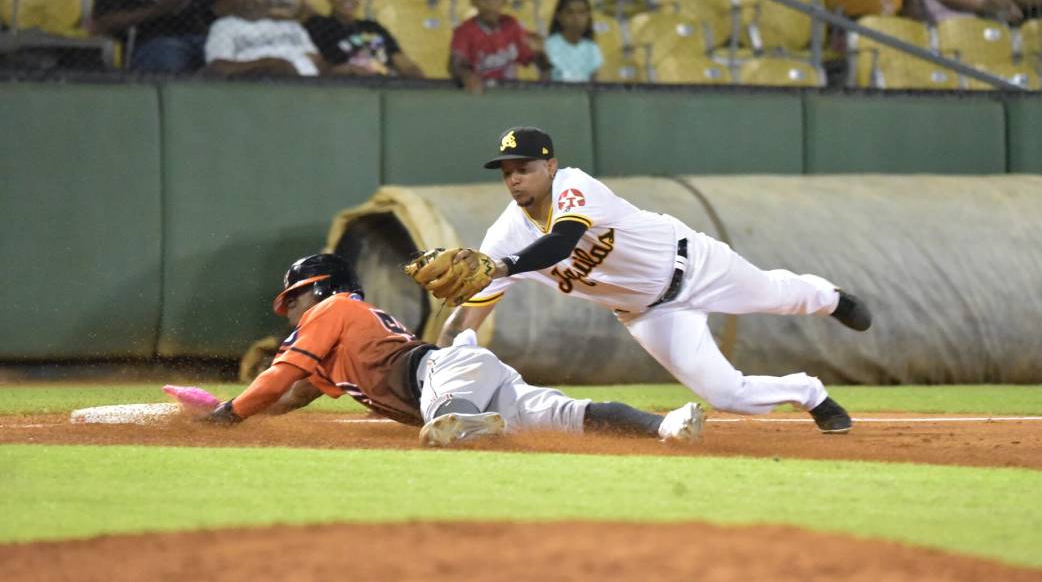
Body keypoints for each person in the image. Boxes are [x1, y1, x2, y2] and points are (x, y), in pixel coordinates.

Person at [434, 127, 866, 435]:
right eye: (506, 171)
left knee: (777, 295)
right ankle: (809, 393)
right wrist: (446, 351)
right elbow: (474, 306)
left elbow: (562, 243)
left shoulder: (574, 186)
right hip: (649, 314)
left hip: (695, 263)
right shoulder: (504, 235)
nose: (513, 179)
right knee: (728, 396)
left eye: (523, 168)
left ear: (550, 165)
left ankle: (830, 298)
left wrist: (504, 267)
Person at [169, 253, 705, 447]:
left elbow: (279, 377)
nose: (288, 308)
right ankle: (668, 426)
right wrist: (217, 408)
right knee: (568, 414)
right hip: (466, 372)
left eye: (294, 296)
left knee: (444, 431)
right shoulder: (342, 333)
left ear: (321, 288)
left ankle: (465, 425)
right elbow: (288, 396)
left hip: (443, 377)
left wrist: (226, 416)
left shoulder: (329, 312)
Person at [91, 0, 222, 72]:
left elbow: (217, 5)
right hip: (149, 41)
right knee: (169, 58)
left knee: (229, 55)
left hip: (199, 37)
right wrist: (157, 10)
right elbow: (100, 24)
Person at [303, 0, 424, 78]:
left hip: (385, 89)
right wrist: (348, 70)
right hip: (348, 92)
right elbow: (314, 67)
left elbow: (405, 65)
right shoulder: (318, 26)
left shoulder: (374, 27)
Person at [204, 0, 323, 76]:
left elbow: (315, 59)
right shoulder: (224, 26)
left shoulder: (291, 25)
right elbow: (218, 67)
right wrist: (268, 64)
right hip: (255, 86)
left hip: (303, 85)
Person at [449, 0, 550, 94]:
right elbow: (455, 65)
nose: (490, 3)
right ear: (473, 0)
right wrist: (466, 74)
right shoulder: (464, 32)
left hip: (510, 95)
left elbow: (540, 63)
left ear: (504, 0)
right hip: (479, 97)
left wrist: (540, 53)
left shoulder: (512, 26)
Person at [544, 0, 603, 83]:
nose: (576, 18)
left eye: (582, 12)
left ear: (588, 16)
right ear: (559, 17)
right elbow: (544, 85)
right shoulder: (548, 47)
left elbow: (594, 87)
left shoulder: (592, 49)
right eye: (570, 12)